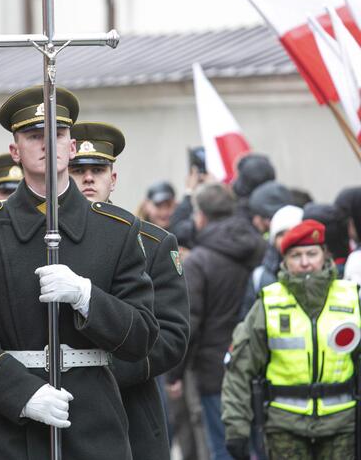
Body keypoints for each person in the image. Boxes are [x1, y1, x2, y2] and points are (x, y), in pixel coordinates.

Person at [0, 87, 157, 459]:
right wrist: (22, 393)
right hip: (13, 429)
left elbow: (141, 336)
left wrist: (88, 298)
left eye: (57, 134)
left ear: (72, 146)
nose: (47, 143)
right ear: (15, 152)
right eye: (32, 135)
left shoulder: (116, 230)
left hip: (94, 424)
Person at [68, 121, 190, 460]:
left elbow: (172, 335)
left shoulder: (153, 243)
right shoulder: (46, 242)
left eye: (98, 169)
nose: (88, 178)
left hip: (128, 405)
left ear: (113, 178)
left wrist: (100, 374)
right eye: (78, 169)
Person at [222, 219, 359, 460]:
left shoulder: (350, 298)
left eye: (311, 253)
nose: (305, 262)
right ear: (284, 260)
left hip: (342, 424)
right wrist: (237, 429)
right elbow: (239, 368)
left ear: (324, 255)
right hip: (285, 426)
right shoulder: (269, 303)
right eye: (296, 255)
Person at [170, 183, 265, 460]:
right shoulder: (259, 247)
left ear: (200, 216)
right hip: (261, 366)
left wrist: (174, 373)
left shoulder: (198, 262)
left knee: (224, 448)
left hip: (216, 372)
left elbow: (189, 323)